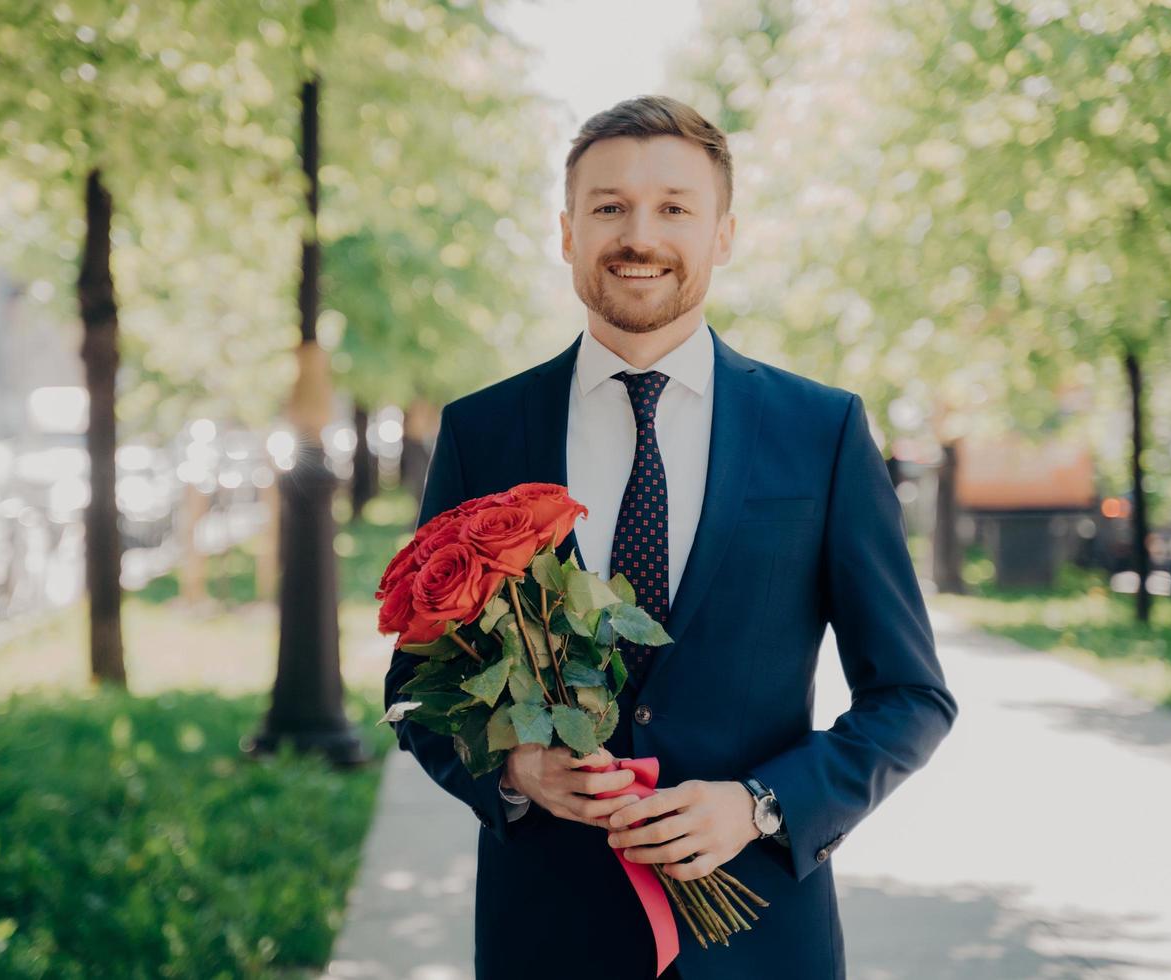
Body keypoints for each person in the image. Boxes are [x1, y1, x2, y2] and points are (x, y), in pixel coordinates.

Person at [383, 94, 957, 980]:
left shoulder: (823, 432)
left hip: (763, 938)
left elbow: (913, 697)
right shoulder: (483, 432)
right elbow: (417, 692)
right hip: (546, 937)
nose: (637, 235)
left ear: (723, 233)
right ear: (566, 231)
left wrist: (761, 805)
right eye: (608, 207)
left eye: (674, 208)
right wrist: (516, 774)